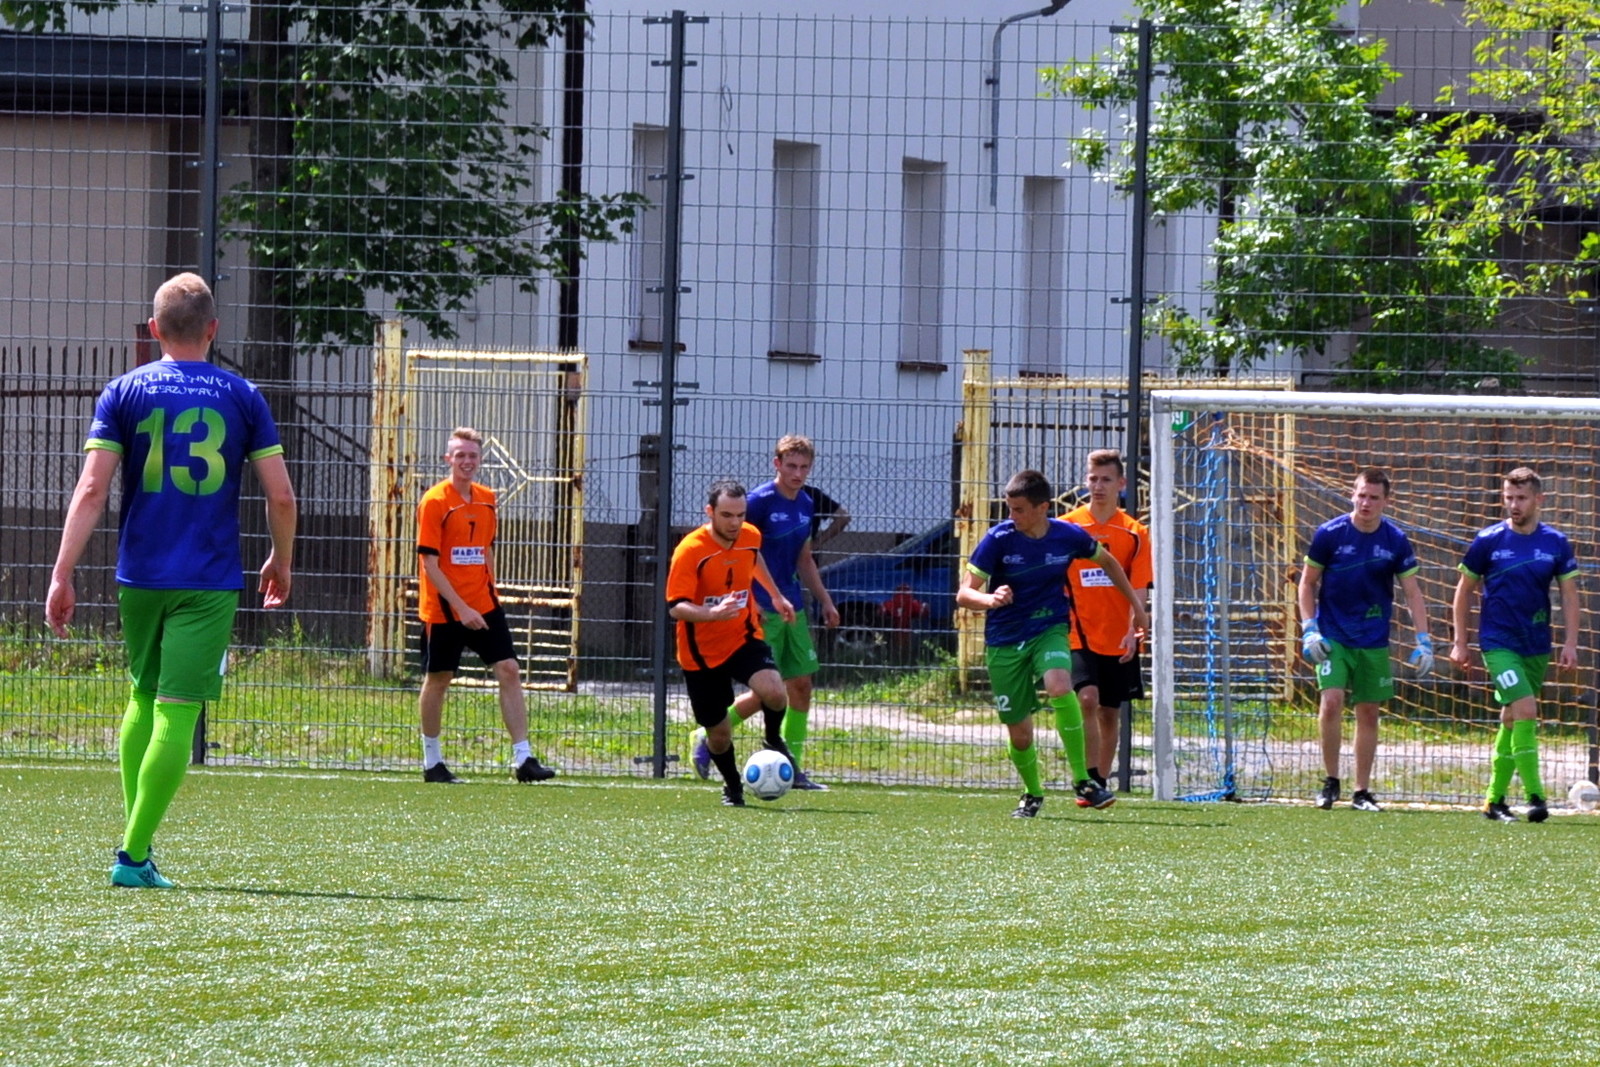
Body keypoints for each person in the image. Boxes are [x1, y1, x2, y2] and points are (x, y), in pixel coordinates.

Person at [45, 272, 297, 889]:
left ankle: (139, 845)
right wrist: (280, 558)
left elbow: (92, 489)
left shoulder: (123, 391)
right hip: (206, 578)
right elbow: (282, 496)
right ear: (213, 329)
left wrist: (62, 573)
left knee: (142, 695)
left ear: (155, 328)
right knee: (178, 708)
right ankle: (133, 857)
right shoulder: (242, 395)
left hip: (140, 573)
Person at [958, 469, 1150, 818]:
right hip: (1005, 640)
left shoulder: (1066, 535)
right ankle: (1032, 793)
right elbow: (964, 593)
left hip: (1050, 628)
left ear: (1042, 507)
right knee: (1020, 735)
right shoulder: (998, 539)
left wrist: (1137, 609)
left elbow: (1109, 563)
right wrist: (990, 600)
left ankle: (1083, 781)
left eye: (1019, 510)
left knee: (1061, 685)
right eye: (1009, 508)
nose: (1012, 516)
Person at [693, 435, 838, 790]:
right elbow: (738, 554)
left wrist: (825, 600)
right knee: (769, 692)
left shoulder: (806, 503)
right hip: (761, 607)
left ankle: (792, 767)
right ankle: (709, 735)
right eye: (791, 466)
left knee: (801, 686)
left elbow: (804, 559)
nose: (797, 473)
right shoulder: (757, 502)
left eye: (804, 467)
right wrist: (752, 600)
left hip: (792, 606)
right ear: (777, 464)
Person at [416, 427, 556, 785]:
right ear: (448, 459)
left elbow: (485, 548)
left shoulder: (487, 498)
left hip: (484, 604)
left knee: (509, 669)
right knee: (439, 679)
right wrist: (461, 608)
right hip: (445, 609)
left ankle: (524, 759)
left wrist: (490, 590)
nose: (467, 461)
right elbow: (429, 563)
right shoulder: (434, 501)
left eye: (473, 455)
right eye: (460, 455)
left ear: (480, 459)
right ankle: (433, 762)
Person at [1449, 467, 1579, 824]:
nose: (1513, 504)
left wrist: (1570, 643)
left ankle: (1494, 800)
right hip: (1498, 642)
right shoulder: (1488, 540)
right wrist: (1460, 642)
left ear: (1538, 499)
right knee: (1526, 709)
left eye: (1521, 498)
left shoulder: (1555, 543)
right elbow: (1463, 592)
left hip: (1536, 643)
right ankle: (1536, 796)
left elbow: (1570, 596)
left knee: (1511, 717)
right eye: (1508, 497)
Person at [1297, 467, 1431, 813]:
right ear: (1352, 495)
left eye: (1373, 497)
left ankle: (1362, 791)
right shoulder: (1329, 534)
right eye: (1361, 495)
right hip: (1333, 635)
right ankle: (1331, 781)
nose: (1366, 503)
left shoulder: (1395, 540)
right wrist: (1309, 627)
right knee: (1332, 700)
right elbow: (1307, 583)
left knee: (1369, 712)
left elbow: (1412, 592)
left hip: (1373, 638)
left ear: (1386, 501)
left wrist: (1424, 640)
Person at [669, 480, 800, 806]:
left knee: (774, 690)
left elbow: (753, 559)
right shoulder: (690, 550)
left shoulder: (750, 536)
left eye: (741, 515)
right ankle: (733, 787)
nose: (735, 523)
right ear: (710, 512)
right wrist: (712, 613)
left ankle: (773, 739)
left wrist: (775, 595)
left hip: (742, 636)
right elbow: (676, 606)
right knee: (719, 734)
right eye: (727, 515)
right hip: (700, 654)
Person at [1062, 449, 1152, 803]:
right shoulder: (1068, 527)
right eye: (1093, 479)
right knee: (1087, 698)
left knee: (1110, 712)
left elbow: (1139, 586)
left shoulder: (1134, 532)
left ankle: (1097, 782)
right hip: (1076, 630)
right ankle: (1084, 778)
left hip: (1118, 634)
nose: (1098, 486)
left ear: (1121, 484)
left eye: (1106, 479)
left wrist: (1133, 628)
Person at [806, 483, 851, 549]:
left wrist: (816, 543)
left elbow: (843, 518)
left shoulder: (813, 494)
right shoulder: (812, 494)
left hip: (804, 547)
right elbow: (843, 517)